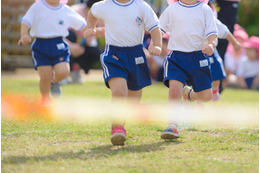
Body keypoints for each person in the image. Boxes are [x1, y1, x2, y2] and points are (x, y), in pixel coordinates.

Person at [84, 0, 162, 146]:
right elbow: (92, 12)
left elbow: (154, 27)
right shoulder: (105, 5)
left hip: (136, 54)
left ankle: (121, 122)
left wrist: (157, 44)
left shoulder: (142, 6)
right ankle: (117, 127)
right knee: (119, 91)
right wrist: (90, 27)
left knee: (134, 100)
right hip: (114, 55)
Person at [159, 0, 218, 139]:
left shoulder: (205, 9)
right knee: (174, 90)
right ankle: (172, 124)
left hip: (199, 57)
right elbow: (158, 29)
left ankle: (189, 95)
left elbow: (212, 33)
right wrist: (156, 43)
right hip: (176, 57)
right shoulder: (172, 9)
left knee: (206, 96)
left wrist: (211, 44)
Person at [18, 0, 86, 105]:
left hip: (59, 43)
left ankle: (54, 81)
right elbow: (26, 21)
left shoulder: (65, 9)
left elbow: (82, 23)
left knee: (63, 71)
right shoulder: (38, 6)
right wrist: (24, 34)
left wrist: (93, 29)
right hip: (41, 45)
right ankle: (45, 100)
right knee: (45, 76)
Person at [64, 0, 105, 84]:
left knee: (95, 52)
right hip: (67, 42)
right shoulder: (74, 12)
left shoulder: (102, 15)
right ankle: (63, 73)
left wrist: (92, 35)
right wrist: (71, 46)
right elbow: (59, 33)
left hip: (83, 44)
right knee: (70, 35)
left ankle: (76, 69)